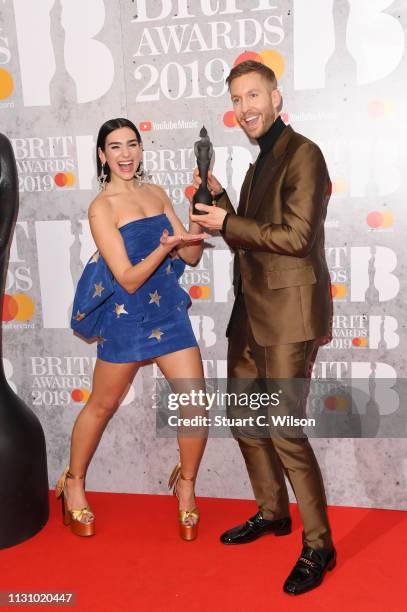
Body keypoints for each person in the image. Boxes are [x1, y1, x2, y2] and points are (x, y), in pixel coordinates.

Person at [191, 60, 336, 595]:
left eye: (254, 95)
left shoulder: (304, 154)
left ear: (276, 98)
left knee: (283, 429)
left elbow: (296, 236)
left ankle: (320, 544)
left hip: (288, 316)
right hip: (248, 314)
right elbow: (251, 238)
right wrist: (221, 205)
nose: (245, 107)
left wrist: (227, 222)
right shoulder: (258, 164)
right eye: (236, 99)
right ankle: (273, 512)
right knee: (246, 420)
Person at [56, 118, 207, 541]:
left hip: (168, 315)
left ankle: (187, 488)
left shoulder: (156, 194)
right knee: (101, 406)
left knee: (196, 402)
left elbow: (191, 258)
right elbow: (127, 277)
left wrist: (196, 217)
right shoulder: (101, 208)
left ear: (141, 150)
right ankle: (74, 482)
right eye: (115, 147)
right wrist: (163, 247)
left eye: (132, 145)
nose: (125, 154)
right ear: (102, 155)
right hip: (127, 317)